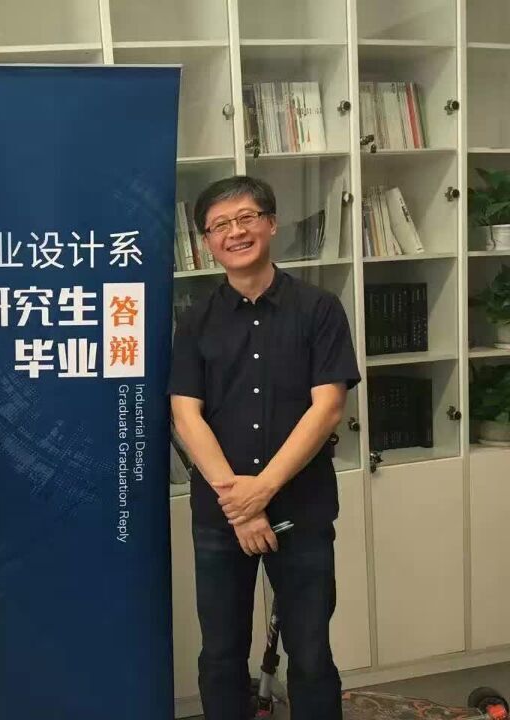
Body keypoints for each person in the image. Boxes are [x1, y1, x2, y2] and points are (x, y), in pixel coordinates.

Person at [169, 175, 359, 720]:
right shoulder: (195, 321)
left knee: (311, 651)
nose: (235, 232)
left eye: (247, 217)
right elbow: (186, 414)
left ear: (271, 224)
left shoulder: (319, 308)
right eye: (220, 225)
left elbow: (327, 408)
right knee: (221, 653)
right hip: (221, 515)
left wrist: (263, 491)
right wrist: (241, 504)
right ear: (208, 241)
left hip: (301, 508)